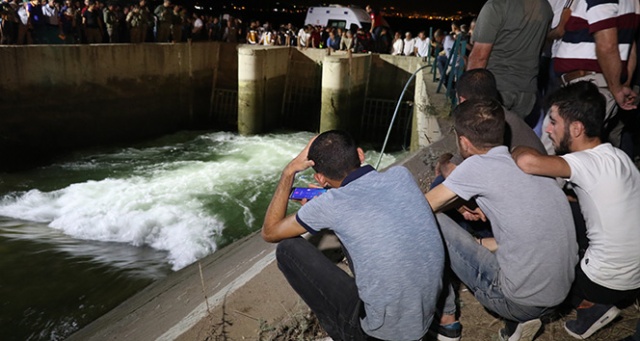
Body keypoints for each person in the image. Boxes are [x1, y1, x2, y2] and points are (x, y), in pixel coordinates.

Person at [262, 130, 445, 341]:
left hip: (378, 334)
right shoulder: (400, 175)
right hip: (424, 316)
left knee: (288, 250)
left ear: (320, 179)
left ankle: (342, 334)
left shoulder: (329, 205)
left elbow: (270, 231)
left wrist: (289, 171)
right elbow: (364, 200)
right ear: (360, 154)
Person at [426, 99, 578, 341]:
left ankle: (446, 322)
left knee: (428, 221)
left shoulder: (475, 166)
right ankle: (516, 327)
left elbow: (420, 208)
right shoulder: (526, 162)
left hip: (517, 300)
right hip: (560, 294)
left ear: (464, 141)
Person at [512, 81, 640, 339]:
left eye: (554, 122)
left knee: (547, 223)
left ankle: (591, 306)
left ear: (577, 128)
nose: (548, 130)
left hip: (602, 283)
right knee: (565, 206)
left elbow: (527, 162)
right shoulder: (619, 156)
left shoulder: (583, 162)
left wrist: (516, 147)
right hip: (635, 278)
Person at [552, 0, 640, 148]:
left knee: (559, 148)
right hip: (597, 84)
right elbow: (630, 46)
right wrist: (623, 83)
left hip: (588, 86)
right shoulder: (632, 2)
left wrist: (617, 88)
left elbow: (607, 45)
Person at [468, 0, 553, 119]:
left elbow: (479, 57)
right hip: (527, 92)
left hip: (496, 89)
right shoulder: (545, 7)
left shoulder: (496, 6)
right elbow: (542, 46)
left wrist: (467, 95)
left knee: (485, 134)